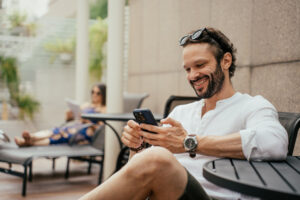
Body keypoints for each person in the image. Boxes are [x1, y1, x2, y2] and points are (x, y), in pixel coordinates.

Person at [79, 27, 288, 200]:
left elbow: (274, 142)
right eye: (187, 69)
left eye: (200, 65)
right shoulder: (181, 112)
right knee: (154, 158)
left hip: (214, 197)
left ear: (225, 61)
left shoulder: (252, 106)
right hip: (165, 194)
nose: (193, 75)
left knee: (158, 159)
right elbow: (144, 168)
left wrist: (190, 142)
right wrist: (137, 147)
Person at [14, 83, 106, 147]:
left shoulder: (104, 109)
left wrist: (88, 121)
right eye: (93, 92)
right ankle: (31, 138)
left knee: (61, 135)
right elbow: (73, 119)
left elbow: (102, 128)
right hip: (76, 127)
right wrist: (70, 115)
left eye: (98, 93)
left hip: (86, 133)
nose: (94, 95)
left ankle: (28, 141)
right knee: (56, 130)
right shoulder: (86, 105)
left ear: (103, 94)